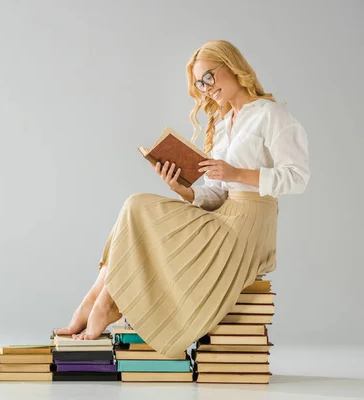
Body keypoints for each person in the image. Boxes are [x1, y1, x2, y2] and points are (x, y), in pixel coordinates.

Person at [55, 40, 310, 357]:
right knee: (136, 206)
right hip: (224, 214)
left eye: (209, 78)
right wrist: (184, 190)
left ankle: (106, 302)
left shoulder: (271, 115)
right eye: (199, 84)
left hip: (249, 226)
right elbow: (218, 194)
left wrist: (237, 174)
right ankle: (98, 296)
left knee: (139, 207)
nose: (205, 89)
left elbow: (298, 177)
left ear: (231, 66)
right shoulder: (223, 124)